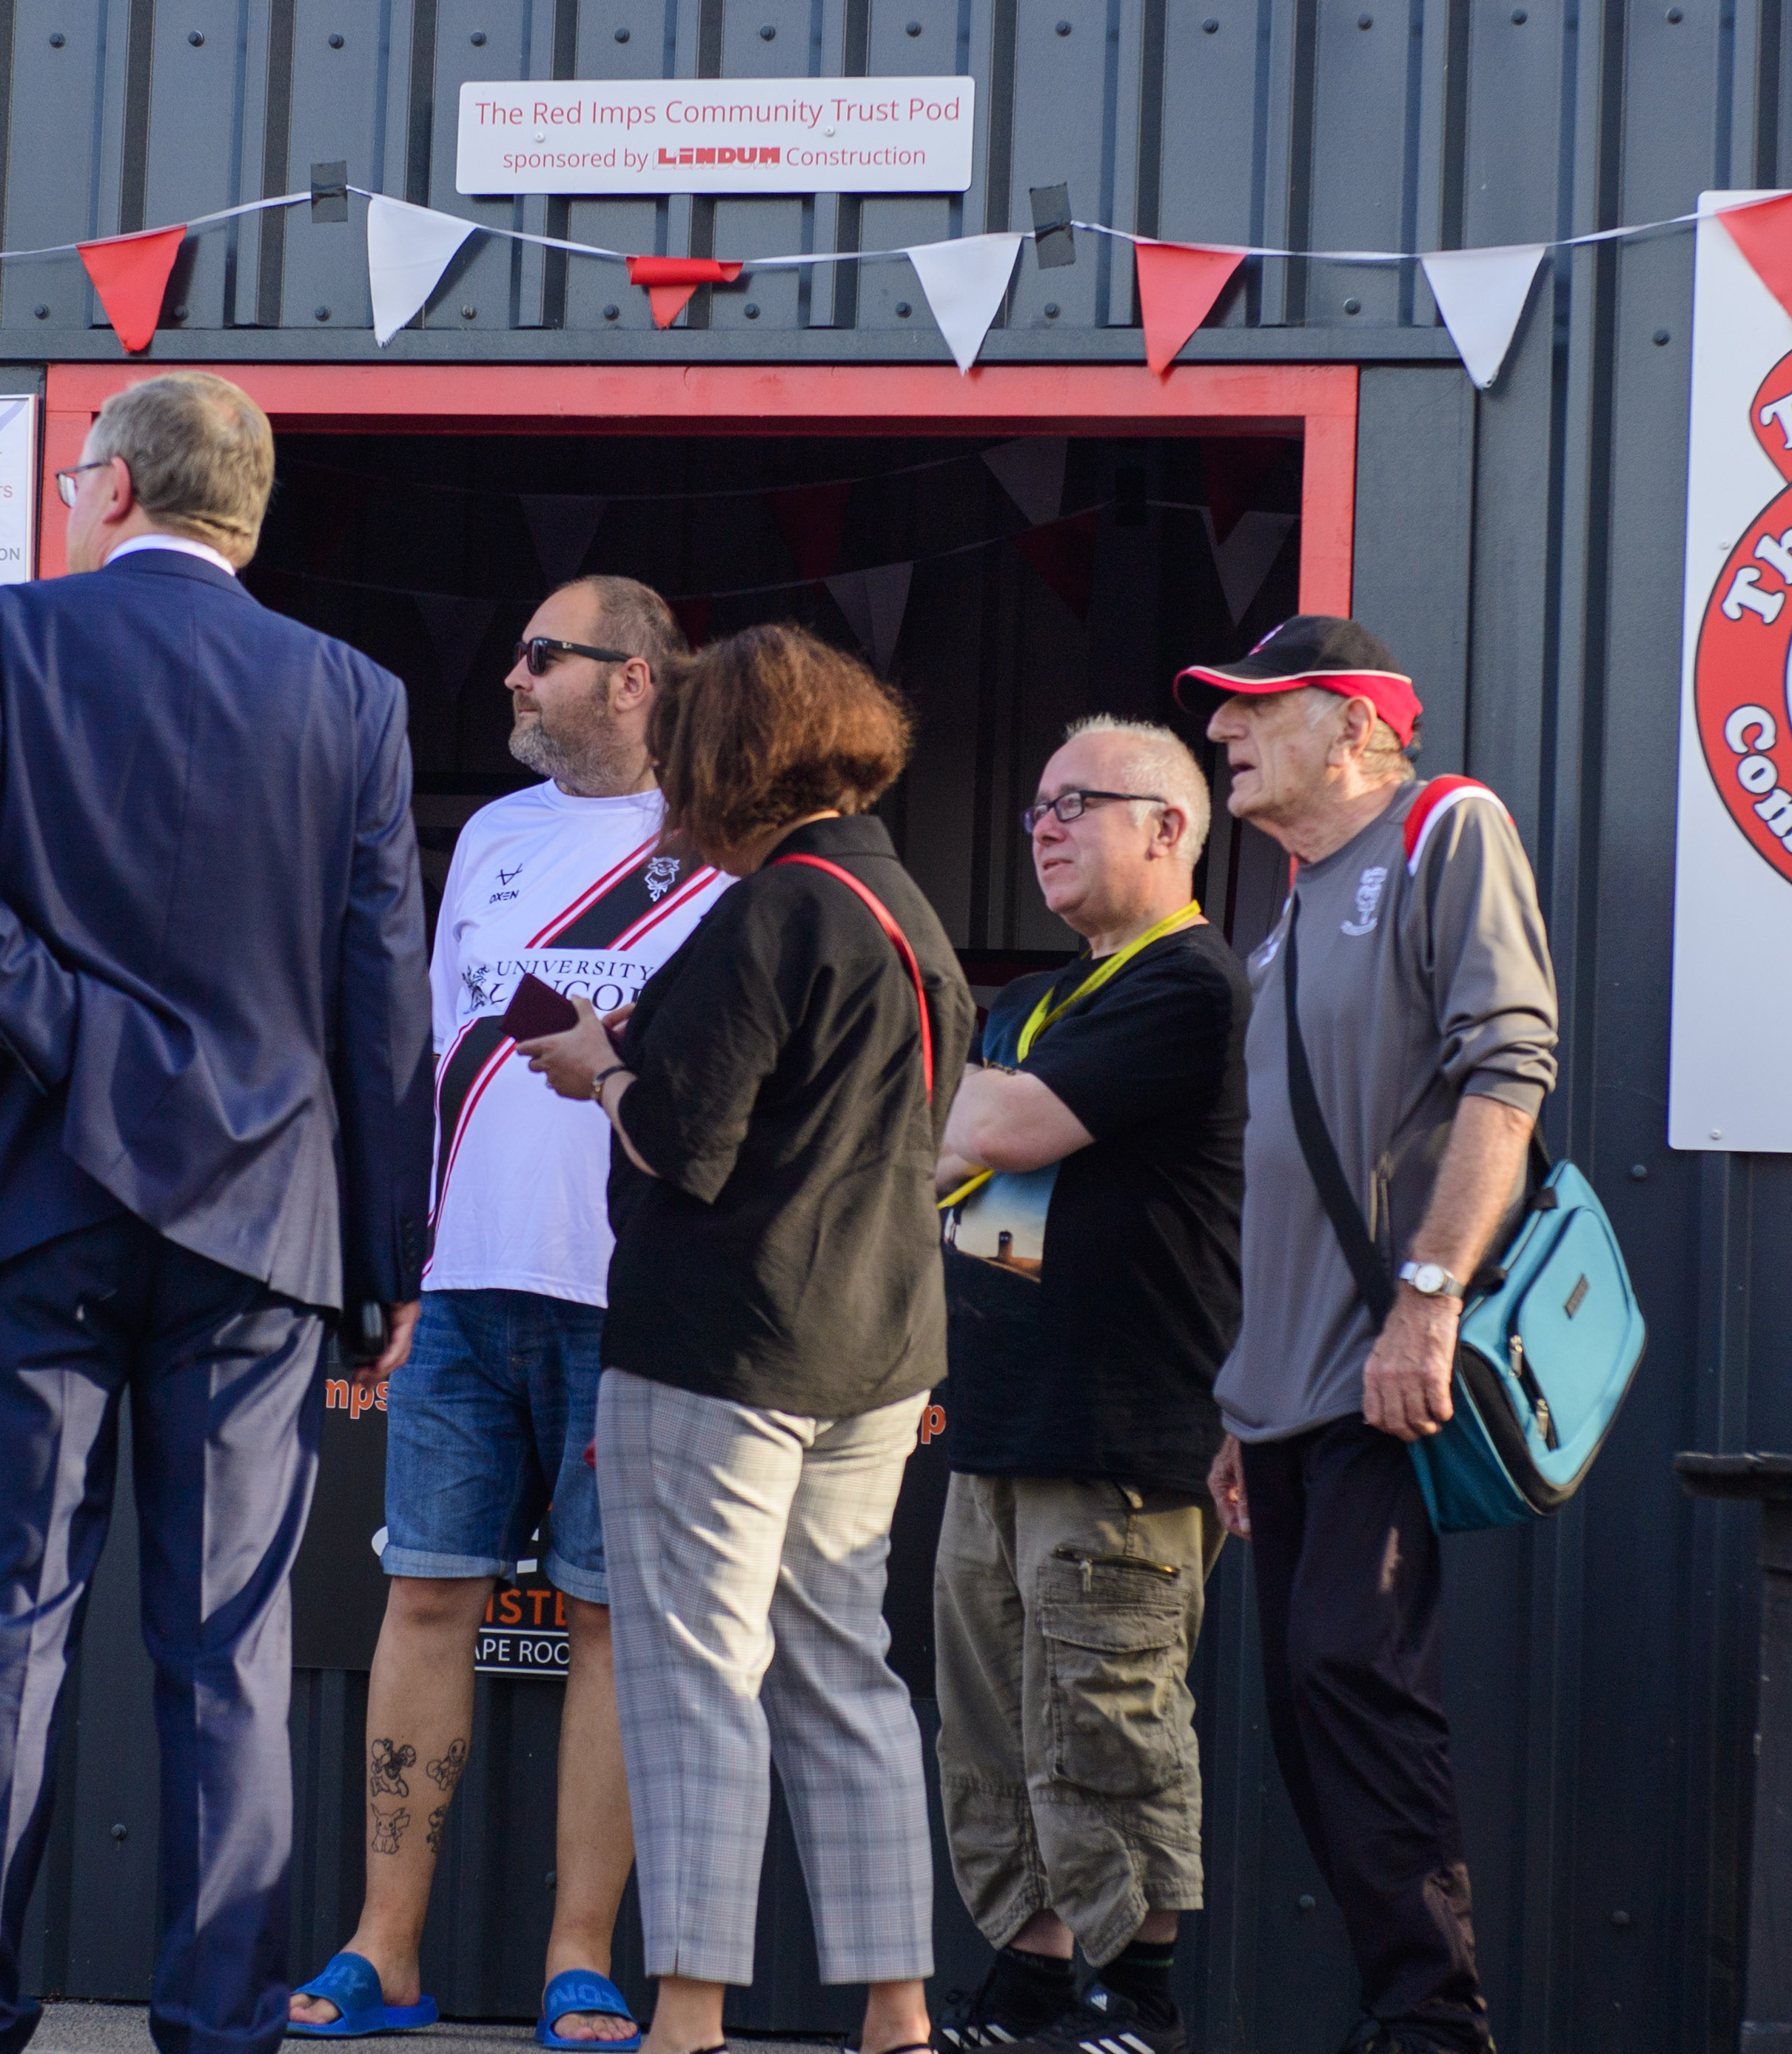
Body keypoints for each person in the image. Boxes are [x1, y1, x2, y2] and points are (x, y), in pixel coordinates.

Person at [0, 370, 430, 2054]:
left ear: (107, 487)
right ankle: (217, 2021)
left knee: (1, 1623)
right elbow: (381, 999)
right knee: (229, 1644)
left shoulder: (0, 637)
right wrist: (384, 1262)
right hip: (263, 1224)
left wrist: (57, 1018)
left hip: (34, 1189)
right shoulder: (352, 695)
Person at [517, 625, 972, 2054]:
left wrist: (600, 1071)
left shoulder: (770, 909)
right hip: (878, 1346)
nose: (666, 779)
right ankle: (897, 2016)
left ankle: (689, 2015)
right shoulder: (904, 906)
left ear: (735, 756)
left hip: (719, 1342)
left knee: (693, 1671)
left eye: (682, 754)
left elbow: (679, 1138)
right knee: (847, 1672)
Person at [288, 577, 722, 2050]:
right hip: (466, 1292)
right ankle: (383, 1948)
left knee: (609, 1626)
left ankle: (578, 1959)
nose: (512, 679)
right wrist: (397, 1266)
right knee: (422, 1594)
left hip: (637, 1302)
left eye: (542, 657)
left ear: (636, 680)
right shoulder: (486, 833)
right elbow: (426, 1054)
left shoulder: (726, 848)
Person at [1184, 618, 1556, 2054]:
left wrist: (1427, 1293)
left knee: (1353, 1670)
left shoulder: (1441, 831)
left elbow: (1505, 1074)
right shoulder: (1290, 908)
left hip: (1384, 1370)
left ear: (1351, 725)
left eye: (1252, 710)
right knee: (1305, 1705)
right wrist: (1241, 1398)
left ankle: (1431, 2027)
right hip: (1281, 1395)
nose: (1223, 733)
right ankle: (1402, 2008)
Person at [925, 718, 1246, 2054]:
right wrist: (967, 1108)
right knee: (995, 1728)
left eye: (1077, 805)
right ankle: (1035, 1983)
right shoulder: (1036, 1001)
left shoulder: (1187, 986)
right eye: (1035, 809)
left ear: (1168, 828)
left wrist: (971, 1105)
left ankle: (1141, 2003)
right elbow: (948, 1164)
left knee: (1107, 1720)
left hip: (1124, 1432)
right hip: (999, 1421)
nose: (1043, 826)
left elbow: (987, 1132)